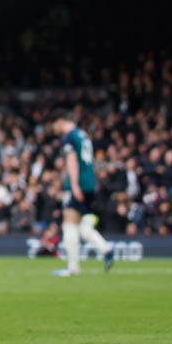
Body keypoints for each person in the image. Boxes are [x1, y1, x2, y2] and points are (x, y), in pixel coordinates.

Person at [51, 112, 115, 276]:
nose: (53, 128)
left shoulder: (69, 137)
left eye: (54, 124)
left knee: (69, 224)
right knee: (80, 225)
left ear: (61, 120)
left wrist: (74, 185)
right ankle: (105, 248)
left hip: (79, 183)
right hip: (90, 183)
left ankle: (73, 267)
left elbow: (72, 160)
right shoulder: (83, 134)